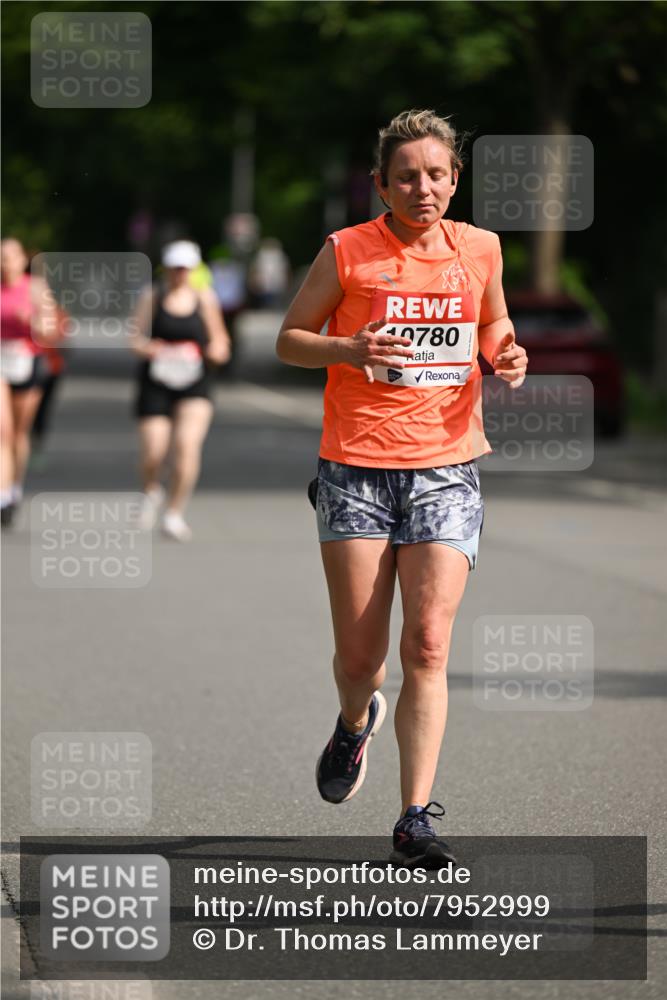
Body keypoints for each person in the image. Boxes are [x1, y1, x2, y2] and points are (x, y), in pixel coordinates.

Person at [276, 110, 528, 867]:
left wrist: (506, 353)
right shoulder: (347, 250)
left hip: (446, 468)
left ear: (455, 180)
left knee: (427, 643)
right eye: (407, 176)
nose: (424, 187)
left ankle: (413, 817)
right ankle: (354, 722)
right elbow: (290, 340)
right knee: (361, 661)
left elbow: (493, 324)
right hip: (355, 468)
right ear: (381, 185)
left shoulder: (479, 248)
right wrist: (349, 348)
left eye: (437, 174)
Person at [130, 240, 231, 541]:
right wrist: (151, 348)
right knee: (154, 450)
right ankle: (151, 489)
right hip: (157, 381)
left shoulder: (205, 299)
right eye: (175, 268)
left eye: (185, 268)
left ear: (193, 269)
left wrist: (214, 352)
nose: (179, 274)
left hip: (194, 382)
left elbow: (221, 342)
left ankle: (174, 512)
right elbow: (134, 337)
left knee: (186, 445)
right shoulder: (153, 296)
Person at [0, 237, 58, 526]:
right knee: (2, 431)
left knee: (19, 435)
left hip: (27, 362)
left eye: (10, 256)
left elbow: (51, 331)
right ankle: (2, 495)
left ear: (22, 260)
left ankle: (15, 486)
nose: (5, 262)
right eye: (1, 257)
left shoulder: (35, 288)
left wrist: (31, 322)